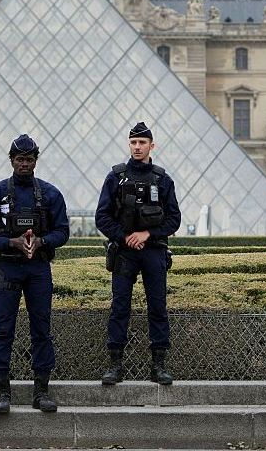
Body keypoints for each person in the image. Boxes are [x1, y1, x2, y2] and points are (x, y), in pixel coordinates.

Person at [0, 134, 70, 414]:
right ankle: (2, 389)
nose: (24, 164)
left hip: (38, 268)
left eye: (29, 160)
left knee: (42, 329)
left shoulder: (51, 194)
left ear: (35, 161)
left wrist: (41, 242)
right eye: (20, 160)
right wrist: (11, 243)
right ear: (11, 160)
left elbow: (63, 232)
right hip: (7, 266)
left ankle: (41, 390)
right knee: (3, 329)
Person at [95, 122, 181, 386]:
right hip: (124, 253)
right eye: (133, 142)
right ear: (128, 144)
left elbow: (174, 220)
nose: (137, 147)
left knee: (158, 307)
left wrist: (147, 235)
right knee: (120, 307)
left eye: (142, 143)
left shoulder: (163, 179)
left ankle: (159, 365)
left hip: (153, 251)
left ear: (151, 146)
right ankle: (115, 365)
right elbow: (102, 217)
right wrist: (125, 237)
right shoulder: (115, 178)